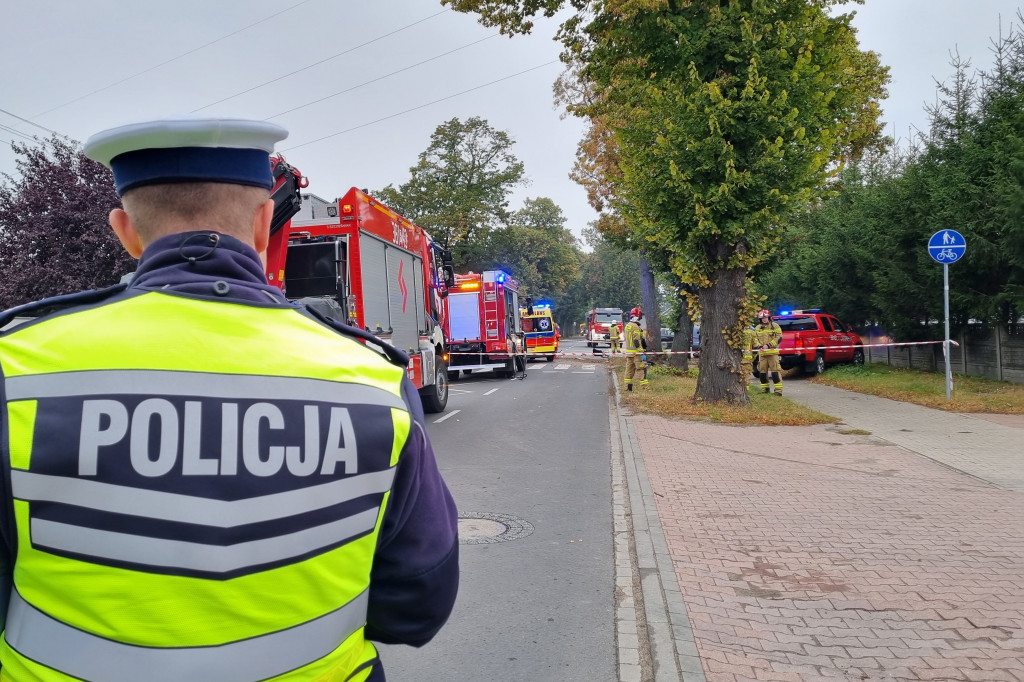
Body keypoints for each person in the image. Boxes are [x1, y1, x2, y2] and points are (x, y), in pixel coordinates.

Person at [0, 117, 459, 682]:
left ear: (125, 230)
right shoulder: (373, 376)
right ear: (266, 221)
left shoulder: (16, 365)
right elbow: (420, 598)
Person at [753, 308, 784, 395]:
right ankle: (765, 390)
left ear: (769, 317)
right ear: (760, 319)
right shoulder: (758, 328)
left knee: (775, 373)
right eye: (762, 318)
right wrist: (759, 346)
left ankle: (778, 391)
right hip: (762, 354)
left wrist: (768, 345)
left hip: (772, 353)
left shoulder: (775, 326)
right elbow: (755, 339)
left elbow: (779, 338)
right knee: (762, 373)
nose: (764, 319)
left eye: (766, 317)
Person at [624, 307, 649, 391]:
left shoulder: (627, 326)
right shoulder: (635, 327)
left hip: (629, 353)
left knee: (629, 370)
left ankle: (628, 387)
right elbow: (636, 340)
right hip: (636, 353)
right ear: (638, 317)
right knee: (641, 368)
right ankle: (644, 388)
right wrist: (641, 350)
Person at [739, 323, 755, 390]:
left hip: (738, 359)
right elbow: (756, 345)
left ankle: (745, 392)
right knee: (746, 377)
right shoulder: (751, 332)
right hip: (746, 359)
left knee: (743, 376)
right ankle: (746, 392)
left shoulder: (735, 331)